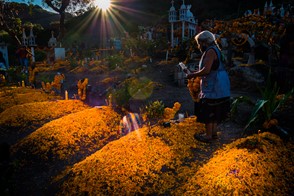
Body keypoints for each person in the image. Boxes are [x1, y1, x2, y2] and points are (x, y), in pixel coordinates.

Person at [185, 30, 231, 143]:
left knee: (208, 110)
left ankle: (208, 135)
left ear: (204, 42)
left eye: (199, 43)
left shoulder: (210, 51)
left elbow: (206, 71)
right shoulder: (216, 49)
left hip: (214, 85)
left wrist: (192, 75)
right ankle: (214, 133)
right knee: (215, 110)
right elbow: (208, 68)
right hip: (220, 84)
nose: (199, 46)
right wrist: (196, 72)